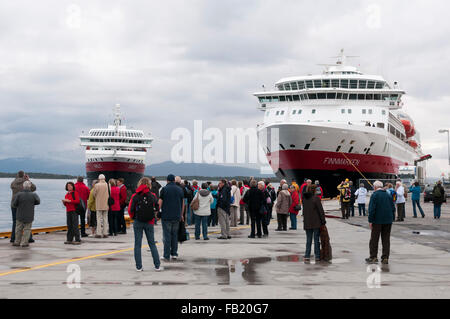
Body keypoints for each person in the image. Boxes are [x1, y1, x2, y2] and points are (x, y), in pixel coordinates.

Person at [128, 177, 162, 272]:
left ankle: (139, 266)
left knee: (137, 244)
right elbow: (157, 207)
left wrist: (134, 217)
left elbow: (130, 209)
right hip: (150, 222)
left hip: (138, 221)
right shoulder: (153, 195)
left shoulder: (135, 195)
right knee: (152, 244)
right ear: (149, 185)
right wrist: (154, 217)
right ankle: (157, 266)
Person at [366, 181, 395, 264]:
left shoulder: (374, 195)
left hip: (377, 220)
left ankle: (373, 257)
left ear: (375, 187)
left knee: (374, 239)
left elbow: (371, 209)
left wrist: (370, 220)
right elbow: (393, 208)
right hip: (388, 221)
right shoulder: (388, 195)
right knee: (386, 239)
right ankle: (385, 257)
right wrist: (392, 218)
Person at [158, 174, 184, 261]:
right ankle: (174, 254)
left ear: (167, 180)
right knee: (174, 235)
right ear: (174, 180)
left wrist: (157, 212)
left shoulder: (164, 189)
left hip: (166, 216)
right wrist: (181, 214)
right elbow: (182, 203)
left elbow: (160, 202)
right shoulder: (180, 189)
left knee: (167, 236)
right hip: (177, 216)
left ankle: (166, 255)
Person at [11, 181, 40, 247]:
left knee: (18, 229)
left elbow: (14, 204)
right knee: (27, 229)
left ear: (23, 186)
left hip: (20, 214)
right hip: (29, 215)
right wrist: (32, 203)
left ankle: (17, 242)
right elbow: (38, 202)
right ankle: (24, 242)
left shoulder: (18, 194)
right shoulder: (34, 195)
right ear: (30, 186)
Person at [10, 171, 36, 244]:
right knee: (27, 221)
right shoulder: (26, 183)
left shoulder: (13, 183)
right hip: (25, 205)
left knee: (15, 221)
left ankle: (13, 238)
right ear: (24, 175)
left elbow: (11, 186)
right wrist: (28, 180)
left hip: (14, 204)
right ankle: (29, 238)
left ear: (17, 175)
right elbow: (34, 188)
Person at [302, 185, 326, 262]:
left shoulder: (304, 199)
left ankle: (307, 255)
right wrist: (323, 221)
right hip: (316, 222)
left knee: (308, 240)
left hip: (307, 222)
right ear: (314, 190)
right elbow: (320, 211)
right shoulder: (316, 198)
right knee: (316, 240)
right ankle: (317, 256)